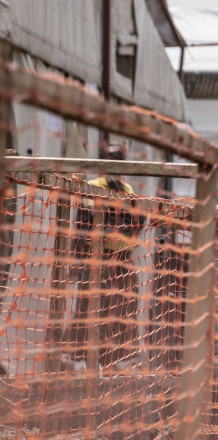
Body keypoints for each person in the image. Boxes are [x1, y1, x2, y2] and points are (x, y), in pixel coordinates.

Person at [72, 142, 143, 368]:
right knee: (92, 315)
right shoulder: (91, 188)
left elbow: (135, 223)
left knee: (121, 316)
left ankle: (112, 365)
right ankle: (90, 366)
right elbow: (83, 227)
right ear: (102, 164)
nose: (116, 167)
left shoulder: (129, 191)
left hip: (122, 264)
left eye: (119, 162)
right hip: (96, 263)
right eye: (111, 161)